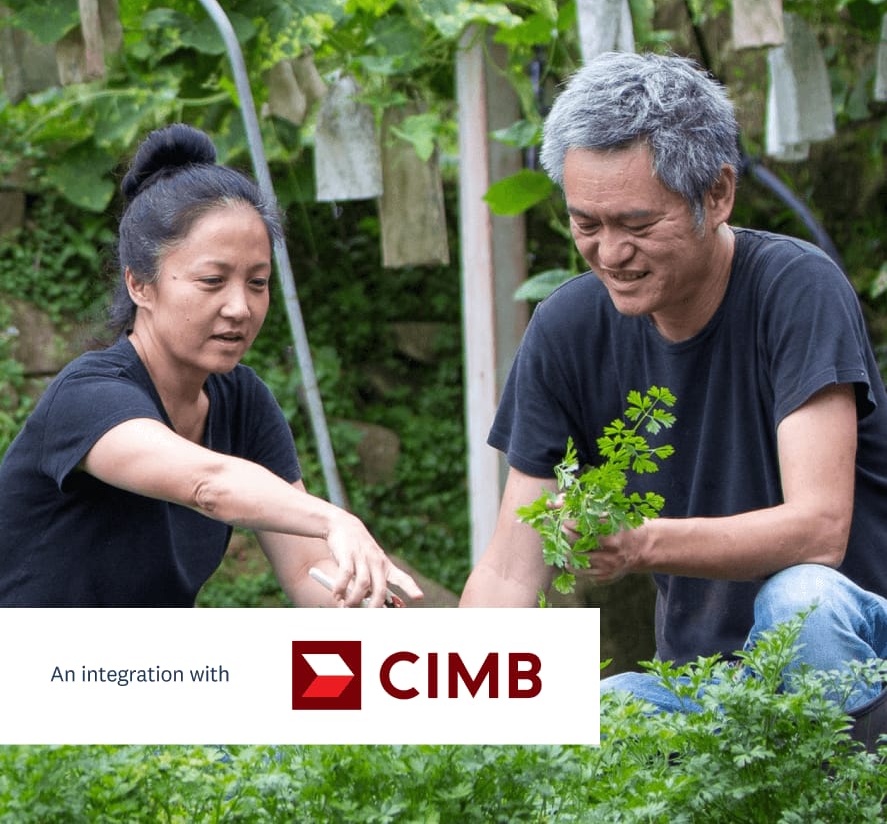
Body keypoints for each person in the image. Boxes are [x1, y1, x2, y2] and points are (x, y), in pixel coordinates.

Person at [459, 52, 887, 717]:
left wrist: (639, 540)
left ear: (715, 195)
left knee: (799, 598)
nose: (608, 251)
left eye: (636, 224)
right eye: (585, 223)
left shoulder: (796, 288)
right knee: (604, 711)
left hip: (855, 655)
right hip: (702, 687)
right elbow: (510, 571)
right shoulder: (566, 328)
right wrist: (449, 720)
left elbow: (819, 530)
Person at [0, 123, 422, 608]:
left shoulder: (242, 401)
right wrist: (335, 520)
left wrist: (364, 603)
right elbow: (208, 484)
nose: (240, 307)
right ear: (140, 285)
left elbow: (308, 568)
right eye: (212, 280)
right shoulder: (88, 396)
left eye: (258, 283)